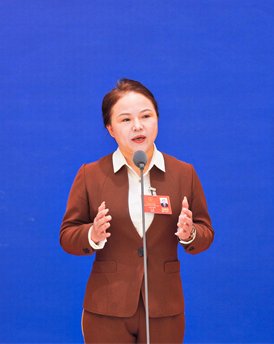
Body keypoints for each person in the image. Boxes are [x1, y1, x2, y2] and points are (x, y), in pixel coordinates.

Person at [60, 78, 214, 344]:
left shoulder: (183, 173)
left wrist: (190, 233)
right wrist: (92, 235)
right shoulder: (91, 175)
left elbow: (205, 233)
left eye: (146, 116)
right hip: (107, 307)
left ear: (157, 119)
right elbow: (67, 236)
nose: (138, 126)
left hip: (164, 307)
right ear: (110, 129)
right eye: (125, 119)